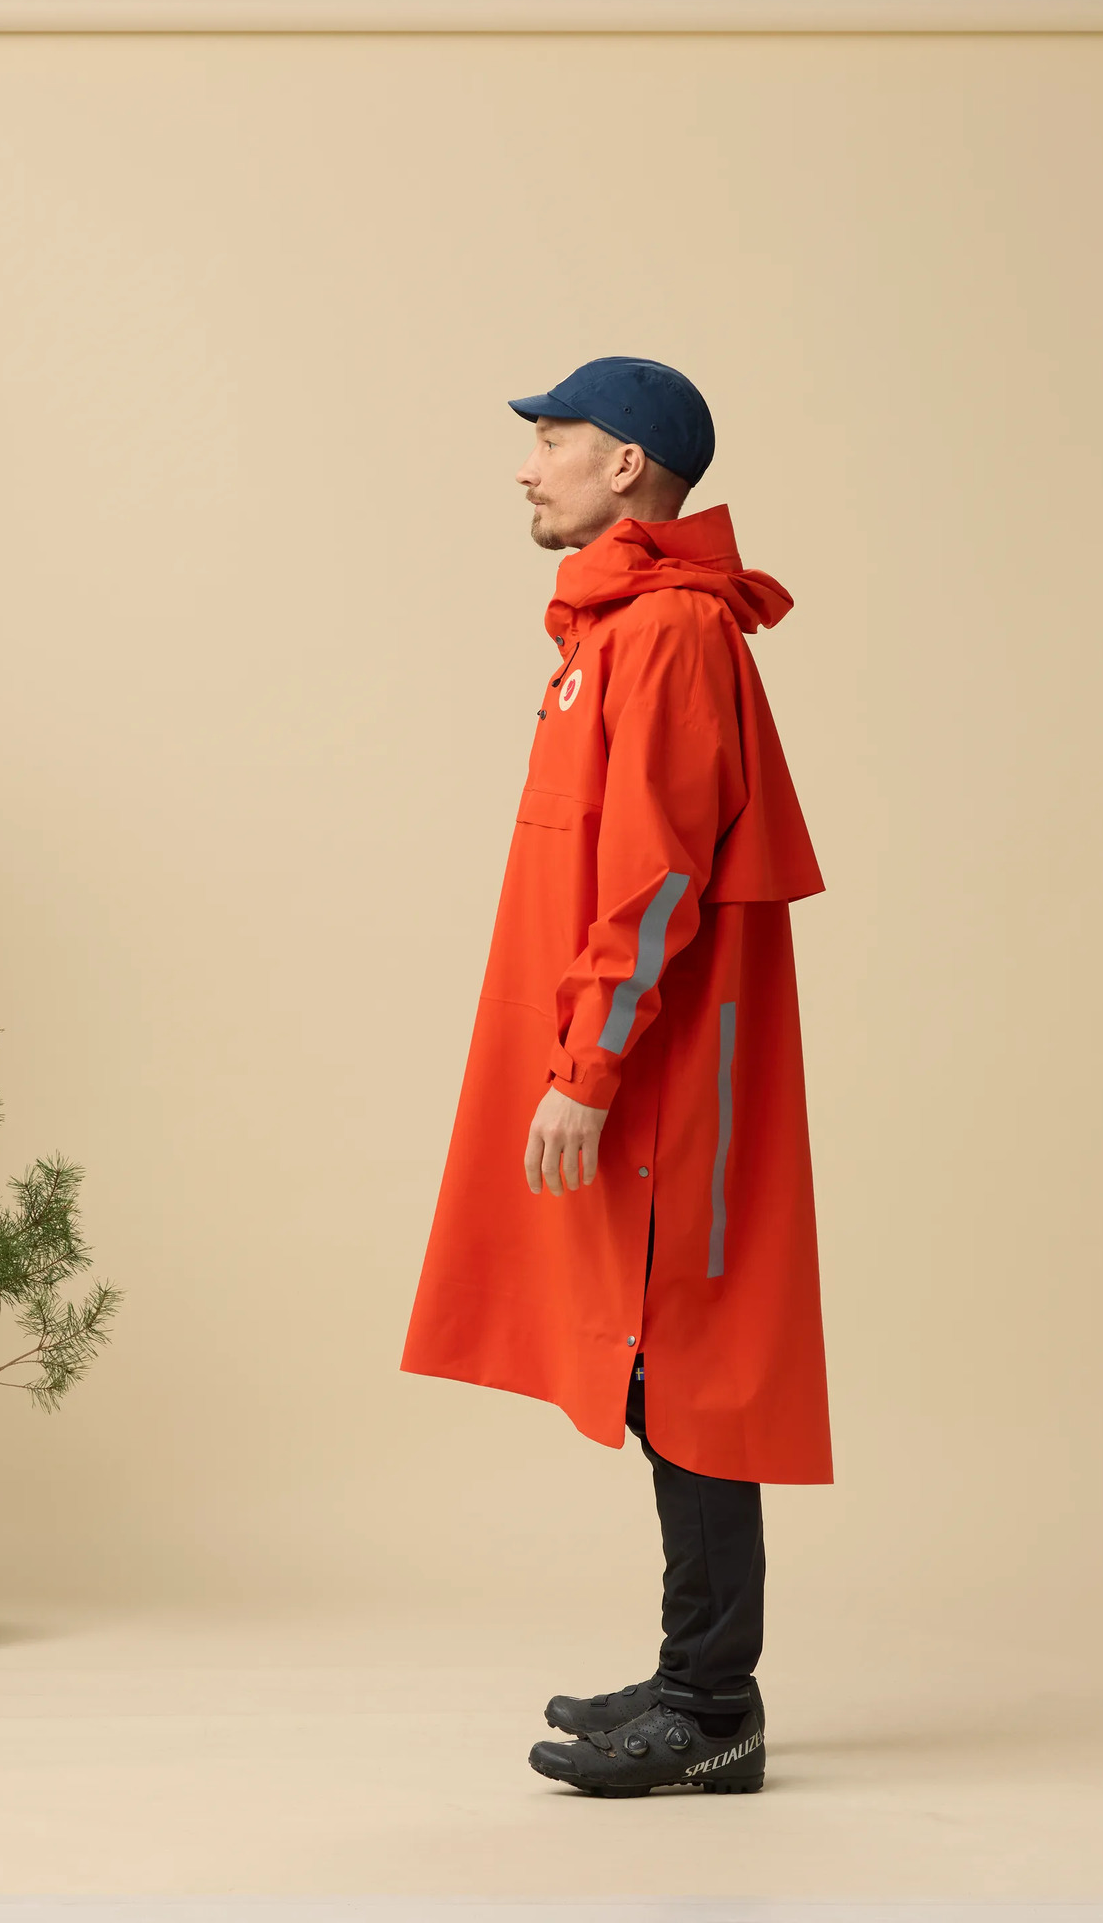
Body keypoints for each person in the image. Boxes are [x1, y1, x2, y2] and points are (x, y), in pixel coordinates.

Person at [402, 356, 830, 1799]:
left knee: (690, 1361)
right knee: (652, 1359)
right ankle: (688, 1668)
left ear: (628, 463)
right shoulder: (612, 629)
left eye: (555, 438)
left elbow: (656, 882)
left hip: (667, 1072)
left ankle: (715, 1706)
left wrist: (586, 1070)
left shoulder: (672, 634)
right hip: (631, 1058)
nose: (529, 465)